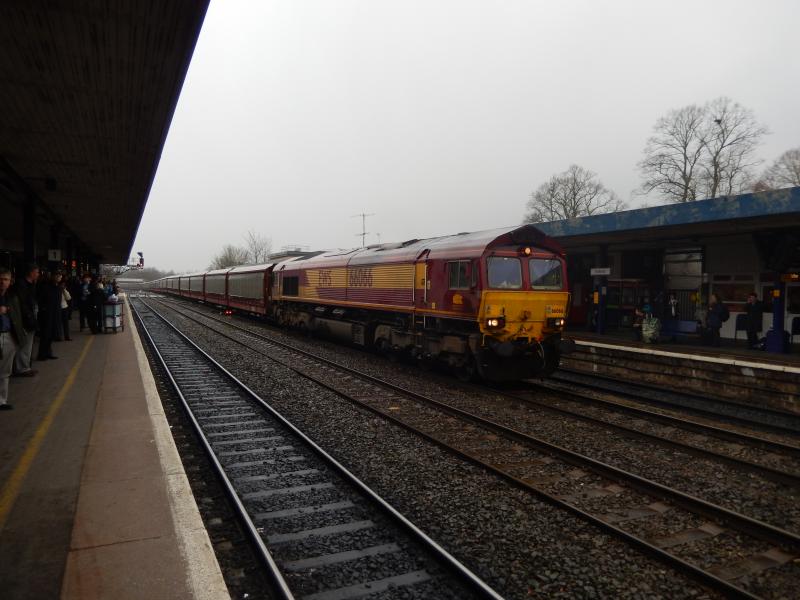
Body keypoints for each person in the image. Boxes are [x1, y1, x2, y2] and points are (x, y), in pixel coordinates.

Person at [0, 268, 24, 409]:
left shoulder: (12, 298)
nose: (2, 282)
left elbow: (18, 318)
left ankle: (2, 400)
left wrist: (18, 337)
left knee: (5, 371)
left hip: (9, 335)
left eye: (5, 279)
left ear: (10, 282)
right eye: (0, 279)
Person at [10, 263, 39, 376]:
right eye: (37, 272)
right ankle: (22, 368)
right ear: (31, 272)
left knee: (28, 344)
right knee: (24, 344)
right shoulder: (22, 285)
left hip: (29, 316)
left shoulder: (31, 284)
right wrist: (29, 317)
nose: (38, 274)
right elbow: (23, 304)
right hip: (25, 319)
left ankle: (25, 366)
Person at [36, 271, 61, 360]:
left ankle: (48, 352)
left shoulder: (58, 287)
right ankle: (41, 354)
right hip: (46, 314)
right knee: (45, 334)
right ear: (52, 276)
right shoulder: (45, 287)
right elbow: (40, 300)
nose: (59, 277)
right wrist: (44, 309)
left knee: (51, 335)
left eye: (60, 276)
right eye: (57, 275)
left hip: (55, 313)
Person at [59, 277, 73, 341]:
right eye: (62, 285)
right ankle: (59, 336)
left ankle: (67, 336)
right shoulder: (57, 290)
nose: (63, 286)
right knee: (59, 323)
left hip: (64, 307)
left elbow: (68, 298)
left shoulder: (65, 290)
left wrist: (64, 291)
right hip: (58, 308)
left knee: (65, 323)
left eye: (64, 285)